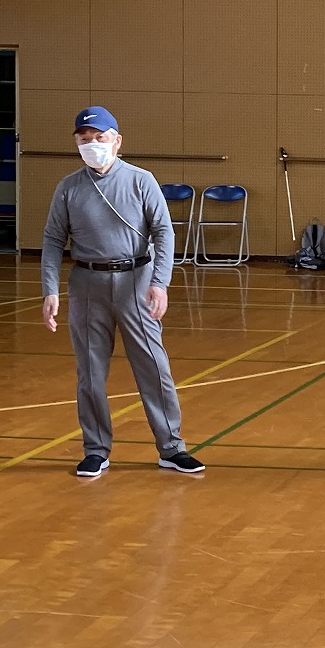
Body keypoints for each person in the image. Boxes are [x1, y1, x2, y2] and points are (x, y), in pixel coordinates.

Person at [41, 106, 205, 479]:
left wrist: (159, 282)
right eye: (84, 140)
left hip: (136, 282)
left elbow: (164, 232)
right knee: (90, 372)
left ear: (117, 140)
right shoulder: (68, 187)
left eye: (100, 138)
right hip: (86, 285)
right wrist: (49, 288)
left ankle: (171, 447)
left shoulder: (140, 180)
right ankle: (96, 449)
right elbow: (52, 240)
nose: (92, 145)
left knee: (153, 366)